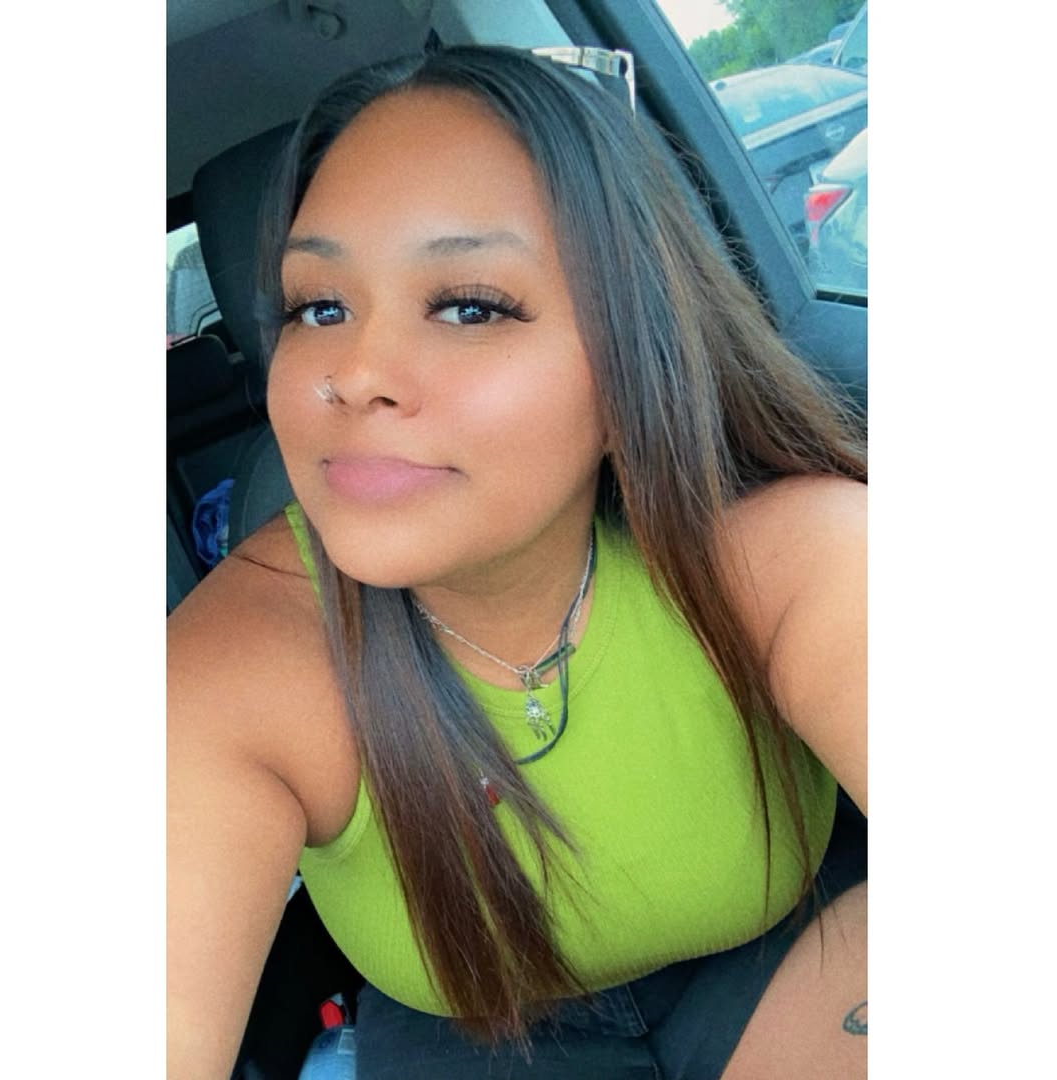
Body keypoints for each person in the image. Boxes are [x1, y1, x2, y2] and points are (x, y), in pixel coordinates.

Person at [168, 45, 867, 1080]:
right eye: (320, 307)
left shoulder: (793, 553)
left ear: (633, 355)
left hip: (784, 956)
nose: (354, 374)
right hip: (470, 1033)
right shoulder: (234, 665)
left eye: (469, 306)